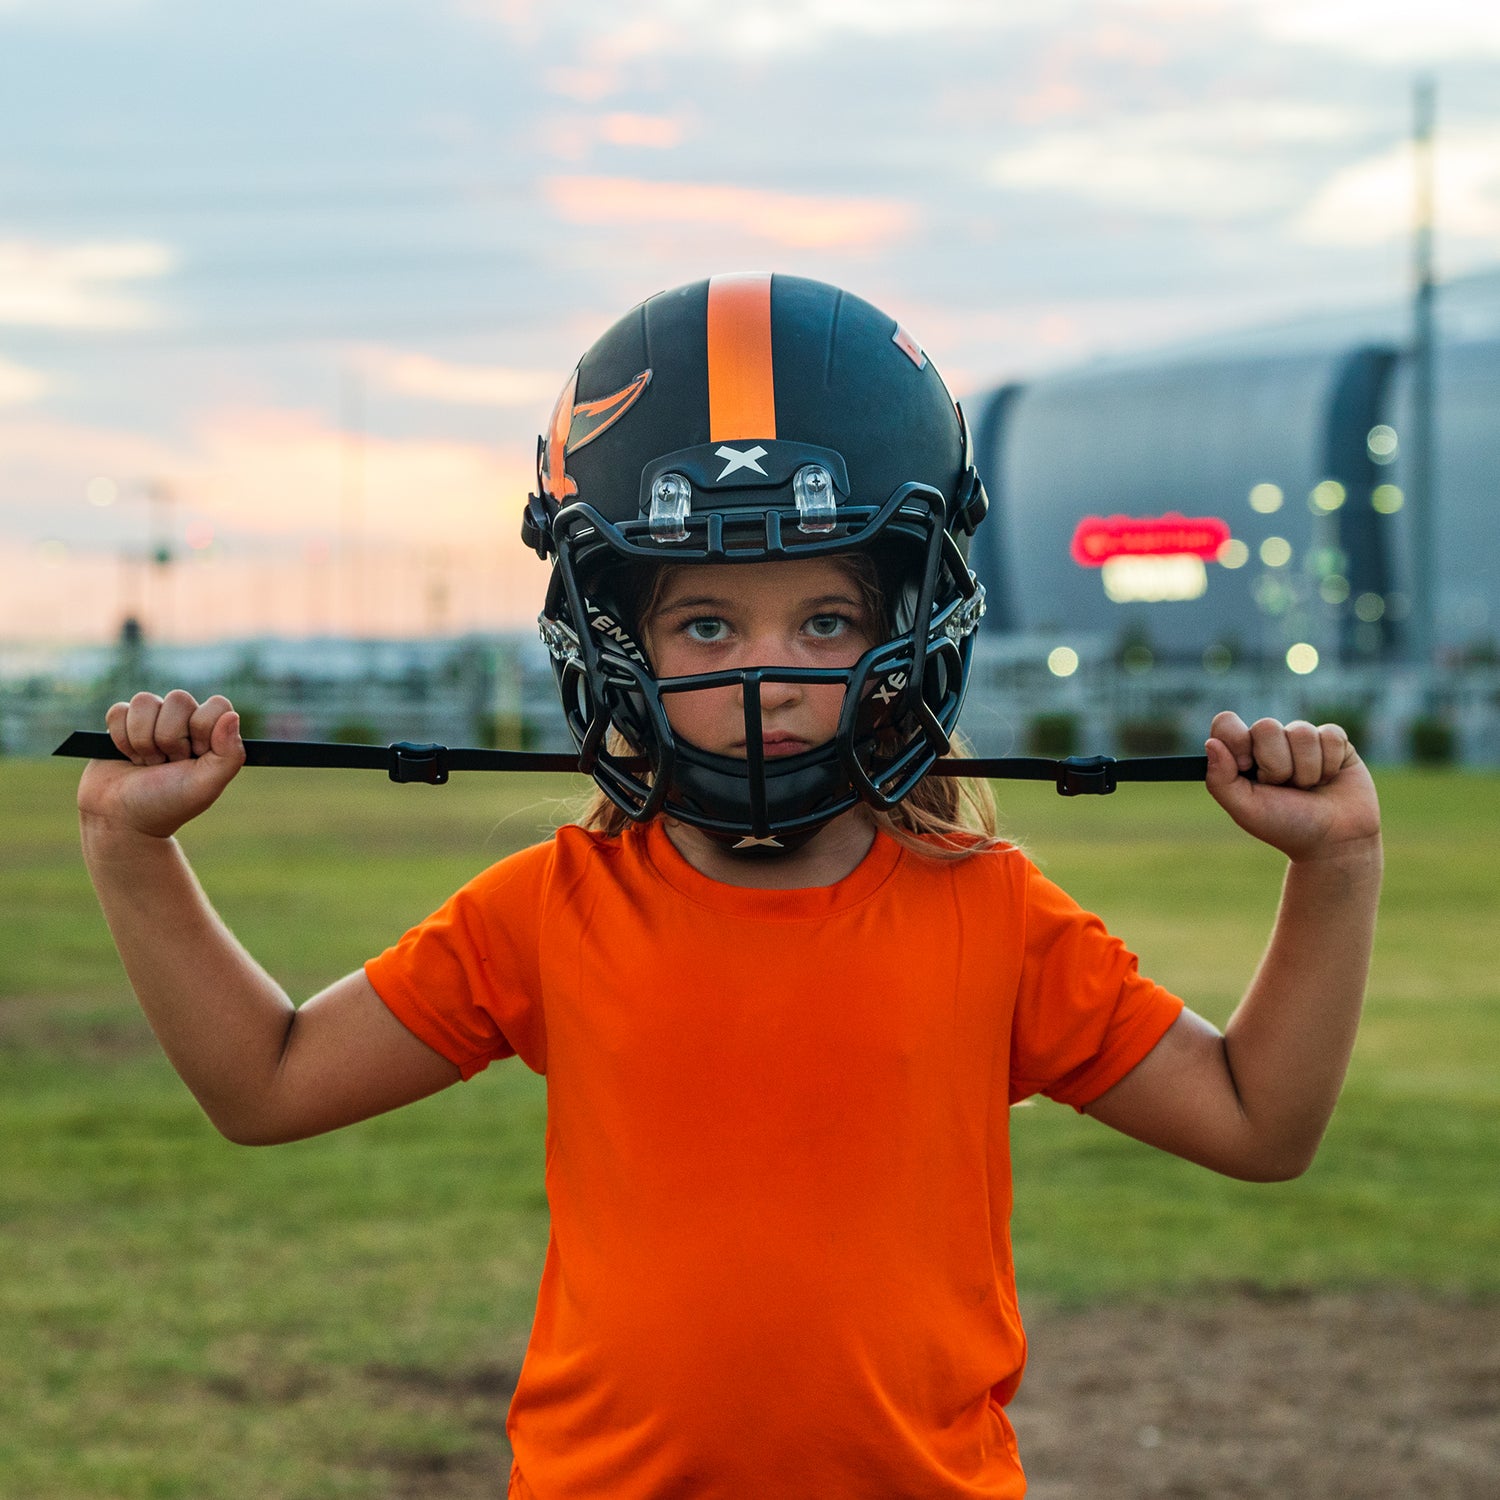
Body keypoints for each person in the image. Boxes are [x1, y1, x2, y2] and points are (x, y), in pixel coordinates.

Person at [77, 274, 1383, 1499]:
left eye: (824, 620)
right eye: (708, 625)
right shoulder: (551, 907)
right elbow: (267, 1083)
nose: (767, 679)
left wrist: (1335, 868)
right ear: (615, 636)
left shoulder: (991, 910)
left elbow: (1259, 1125)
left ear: (912, 624)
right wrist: (135, 853)